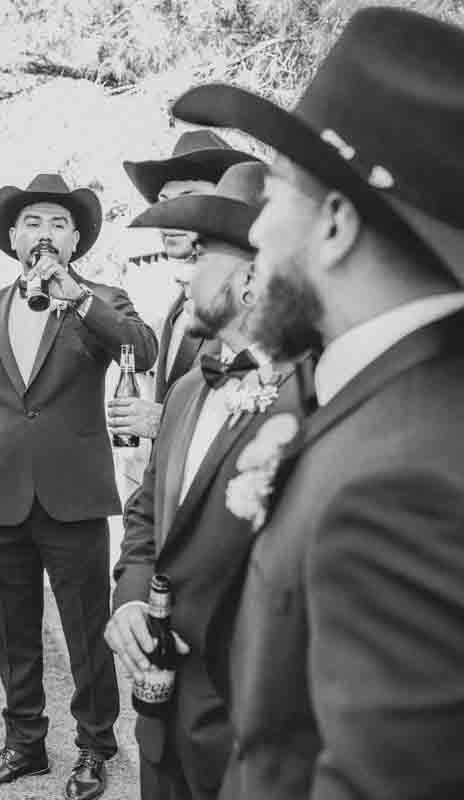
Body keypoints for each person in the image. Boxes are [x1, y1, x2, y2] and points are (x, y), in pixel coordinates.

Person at [173, 8, 464, 798]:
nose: (257, 232)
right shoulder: (388, 396)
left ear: (336, 223)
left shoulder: (400, 488)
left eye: (278, 199)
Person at [0, 173, 157, 798]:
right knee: (12, 631)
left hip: (75, 496)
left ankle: (95, 746)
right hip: (2, 497)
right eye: (33, 223)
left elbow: (142, 351)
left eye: (59, 224)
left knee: (88, 628)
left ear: (75, 240)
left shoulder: (102, 298)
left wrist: (80, 300)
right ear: (13, 237)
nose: (45, 234)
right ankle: (24, 743)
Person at [106, 162, 314, 800]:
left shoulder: (313, 402)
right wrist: (130, 599)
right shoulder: (188, 388)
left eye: (200, 256)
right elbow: (146, 517)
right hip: (158, 722)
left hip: (247, 742)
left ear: (253, 278)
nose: (182, 271)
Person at [108, 130, 257, 443]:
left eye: (187, 200)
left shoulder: (251, 302)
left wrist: (164, 423)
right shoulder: (177, 305)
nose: (169, 217)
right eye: (163, 204)